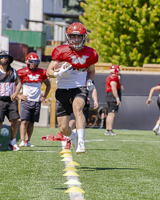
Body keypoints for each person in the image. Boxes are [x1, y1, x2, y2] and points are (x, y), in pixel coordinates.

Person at [47, 22, 98, 153]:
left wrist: (90, 81)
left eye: (79, 36)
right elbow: (48, 72)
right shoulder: (60, 51)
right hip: (63, 89)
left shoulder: (90, 53)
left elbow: (91, 70)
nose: (76, 39)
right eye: (73, 36)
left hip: (79, 88)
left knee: (78, 108)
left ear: (84, 37)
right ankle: (73, 136)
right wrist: (58, 73)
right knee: (63, 128)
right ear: (68, 37)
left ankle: (81, 141)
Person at [17, 52, 51, 147]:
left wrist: (44, 96)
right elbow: (15, 84)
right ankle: (22, 140)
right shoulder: (21, 72)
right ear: (27, 62)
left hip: (36, 101)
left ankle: (28, 141)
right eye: (31, 62)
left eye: (35, 62)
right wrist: (19, 95)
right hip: (26, 101)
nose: (33, 64)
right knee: (24, 121)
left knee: (32, 122)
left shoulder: (42, 72)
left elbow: (48, 85)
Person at [0, 51, 22, 151]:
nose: (3, 58)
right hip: (0, 100)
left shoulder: (13, 71)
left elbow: (19, 83)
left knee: (14, 120)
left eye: (5, 57)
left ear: (8, 59)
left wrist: (16, 93)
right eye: (1, 57)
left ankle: (12, 142)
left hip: (11, 100)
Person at [105, 64, 123, 135]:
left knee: (110, 114)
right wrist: (117, 98)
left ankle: (107, 130)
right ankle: (109, 130)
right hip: (112, 97)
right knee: (112, 114)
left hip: (109, 96)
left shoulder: (109, 77)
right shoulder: (114, 77)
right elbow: (113, 88)